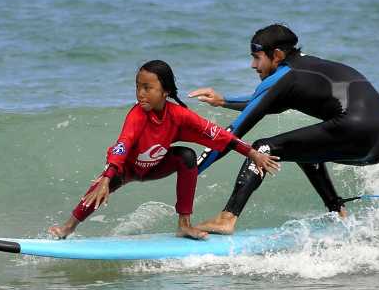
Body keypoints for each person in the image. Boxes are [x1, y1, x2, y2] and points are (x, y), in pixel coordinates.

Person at [189, 24, 379, 234]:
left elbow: (231, 135)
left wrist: (191, 171)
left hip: (355, 130)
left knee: (262, 149)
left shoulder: (284, 76)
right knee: (305, 152)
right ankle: (338, 211)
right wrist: (224, 100)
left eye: (257, 57)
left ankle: (226, 219)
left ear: (276, 55)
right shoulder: (307, 66)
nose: (253, 65)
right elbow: (269, 101)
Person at [49, 60, 280, 240]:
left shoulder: (178, 116)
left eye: (148, 88)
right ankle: (68, 227)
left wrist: (252, 153)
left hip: (156, 166)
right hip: (127, 168)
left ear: (165, 91)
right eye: (138, 87)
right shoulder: (137, 115)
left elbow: (218, 134)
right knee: (100, 187)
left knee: (187, 156)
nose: (141, 93)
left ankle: (184, 225)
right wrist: (108, 176)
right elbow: (123, 143)